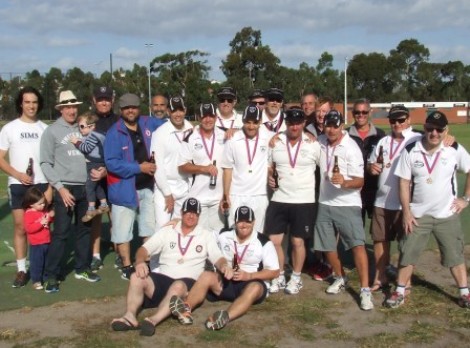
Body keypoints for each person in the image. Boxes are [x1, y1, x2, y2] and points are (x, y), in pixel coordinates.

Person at [110, 197, 232, 336]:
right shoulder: (168, 231)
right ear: (181, 212)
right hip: (164, 278)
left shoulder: (205, 235)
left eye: (195, 213)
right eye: (188, 212)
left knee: (178, 285)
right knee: (136, 277)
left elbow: (217, 257)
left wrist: (224, 266)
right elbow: (144, 250)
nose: (191, 215)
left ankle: (153, 320)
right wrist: (140, 262)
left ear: (199, 215)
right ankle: (129, 316)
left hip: (187, 284)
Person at [385, 111, 470, 309]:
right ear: (424, 127)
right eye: (430, 128)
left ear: (446, 130)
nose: (434, 133)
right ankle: (399, 291)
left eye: (439, 129)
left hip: (446, 213)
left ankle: (464, 293)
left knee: (454, 255)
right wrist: (406, 212)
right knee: (408, 254)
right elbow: (404, 183)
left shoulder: (453, 148)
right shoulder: (411, 149)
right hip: (417, 215)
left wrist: (465, 199)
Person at [169, 206, 279, 330]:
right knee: (206, 275)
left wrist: (249, 276)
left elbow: (274, 271)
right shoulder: (224, 234)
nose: (244, 225)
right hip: (227, 280)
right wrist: (181, 222)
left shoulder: (263, 242)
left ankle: (224, 317)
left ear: (253, 222)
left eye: (248, 221)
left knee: (254, 288)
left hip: (250, 281)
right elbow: (202, 232)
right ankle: (185, 309)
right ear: (235, 222)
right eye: (240, 221)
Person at [40, 90, 101, 293]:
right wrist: (59, 187)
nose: (71, 110)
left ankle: (81, 268)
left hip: (87, 187)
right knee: (61, 233)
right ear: (61, 109)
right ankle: (51, 275)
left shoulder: (84, 126)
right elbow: (45, 163)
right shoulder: (52, 131)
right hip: (65, 188)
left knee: (84, 231)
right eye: (67, 107)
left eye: (74, 106)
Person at [314, 110, 373, 311]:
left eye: (335, 126)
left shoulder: (351, 147)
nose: (331, 130)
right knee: (327, 246)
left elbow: (361, 181)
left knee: (357, 245)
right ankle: (341, 277)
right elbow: (306, 137)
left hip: (347, 204)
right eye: (328, 125)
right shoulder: (320, 141)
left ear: (342, 126)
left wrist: (345, 182)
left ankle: (365, 290)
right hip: (325, 202)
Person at [104, 93, 164, 280]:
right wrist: (139, 167)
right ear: (121, 110)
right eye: (127, 108)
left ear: (140, 108)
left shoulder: (148, 123)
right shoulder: (114, 132)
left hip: (147, 186)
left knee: (148, 227)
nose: (131, 110)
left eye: (134, 107)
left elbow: (171, 127)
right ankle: (126, 265)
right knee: (123, 230)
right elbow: (112, 163)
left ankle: (145, 261)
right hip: (124, 188)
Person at [265, 109, 321, 294]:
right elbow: (269, 166)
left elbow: (326, 168)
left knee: (297, 242)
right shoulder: (276, 142)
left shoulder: (313, 144)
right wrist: (269, 177)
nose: (294, 126)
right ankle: (279, 275)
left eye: (298, 123)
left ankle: (296, 278)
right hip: (279, 198)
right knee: (273, 240)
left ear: (304, 123)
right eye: (290, 123)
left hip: (304, 200)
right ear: (286, 124)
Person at [0, 86, 51, 288]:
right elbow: (1, 159)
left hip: (41, 185)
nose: (31, 105)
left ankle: (42, 269)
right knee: (21, 228)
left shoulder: (45, 129)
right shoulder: (9, 128)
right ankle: (22, 270)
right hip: (18, 185)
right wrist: (19, 175)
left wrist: (50, 187)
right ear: (21, 103)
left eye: (35, 102)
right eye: (27, 102)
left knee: (43, 228)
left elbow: (50, 160)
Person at [367, 106, 421, 291]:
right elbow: (371, 163)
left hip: (406, 203)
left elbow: (439, 143)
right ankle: (380, 276)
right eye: (393, 120)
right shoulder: (383, 141)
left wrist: (449, 138)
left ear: (409, 119)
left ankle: (405, 280)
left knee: (406, 243)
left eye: (401, 120)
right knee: (380, 240)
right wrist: (371, 168)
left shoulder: (418, 139)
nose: (397, 124)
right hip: (382, 201)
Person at [220, 105, 274, 234]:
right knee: (236, 234)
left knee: (257, 235)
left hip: (259, 195)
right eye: (248, 122)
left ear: (260, 121)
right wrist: (226, 196)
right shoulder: (232, 139)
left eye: (255, 122)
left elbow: (287, 133)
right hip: (236, 194)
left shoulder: (268, 137)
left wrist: (308, 134)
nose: (251, 126)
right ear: (243, 121)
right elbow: (227, 169)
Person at [178, 103, 226, 234]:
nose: (208, 119)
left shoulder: (226, 134)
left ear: (216, 117)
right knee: (199, 237)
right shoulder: (190, 137)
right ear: (199, 117)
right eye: (204, 116)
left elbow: (245, 132)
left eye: (211, 116)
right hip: (198, 197)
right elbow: (182, 166)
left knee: (219, 237)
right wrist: (203, 169)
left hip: (219, 198)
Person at [151, 96, 193, 231]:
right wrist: (167, 193)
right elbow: (158, 166)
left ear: (185, 110)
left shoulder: (191, 128)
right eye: (174, 111)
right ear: (169, 112)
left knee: (181, 228)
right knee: (162, 229)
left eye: (180, 110)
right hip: (165, 187)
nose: (178, 114)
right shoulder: (160, 133)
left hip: (185, 186)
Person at [90, 86, 120, 272]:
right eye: (100, 99)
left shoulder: (119, 121)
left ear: (112, 100)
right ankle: (95, 255)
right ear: (94, 100)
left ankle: (119, 253)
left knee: (116, 217)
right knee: (96, 218)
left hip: (114, 176)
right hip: (95, 176)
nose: (104, 102)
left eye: (107, 99)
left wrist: (108, 170)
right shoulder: (88, 120)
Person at [346, 98, 385, 223]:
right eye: (357, 112)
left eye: (364, 112)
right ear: (353, 114)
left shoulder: (380, 135)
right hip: (353, 190)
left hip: (375, 189)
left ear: (370, 112)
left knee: (379, 231)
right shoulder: (345, 134)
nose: (361, 115)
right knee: (355, 230)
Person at [70, 112, 109, 222]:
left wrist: (76, 142)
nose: (80, 129)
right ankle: (103, 204)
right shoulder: (100, 134)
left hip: (94, 163)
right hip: (99, 163)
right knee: (97, 186)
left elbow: (86, 148)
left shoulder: (93, 135)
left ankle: (91, 209)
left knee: (89, 186)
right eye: (79, 127)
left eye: (82, 126)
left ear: (91, 126)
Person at [22, 187, 54, 290]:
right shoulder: (29, 214)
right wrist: (40, 223)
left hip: (46, 241)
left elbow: (49, 219)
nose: (43, 205)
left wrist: (51, 216)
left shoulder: (43, 211)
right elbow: (29, 228)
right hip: (36, 244)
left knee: (47, 261)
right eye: (40, 204)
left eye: (43, 203)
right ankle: (36, 280)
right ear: (31, 204)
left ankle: (46, 277)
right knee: (37, 263)